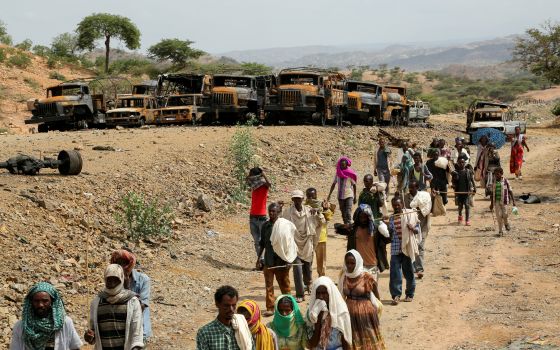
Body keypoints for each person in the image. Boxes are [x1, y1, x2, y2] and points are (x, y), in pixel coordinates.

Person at [85, 264, 144, 350]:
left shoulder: (132, 301)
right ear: (105, 280)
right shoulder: (97, 302)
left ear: (121, 280)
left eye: (115, 279)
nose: (112, 283)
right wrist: (89, 336)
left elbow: (137, 331)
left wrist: (136, 347)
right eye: (109, 279)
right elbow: (93, 333)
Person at [10, 282, 82, 350]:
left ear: (52, 302)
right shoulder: (21, 326)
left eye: (45, 301)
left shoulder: (65, 323)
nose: (40, 305)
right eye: (36, 301)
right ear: (31, 302)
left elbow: (75, 347)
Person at [281, 190, 324, 302]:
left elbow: (321, 222)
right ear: (292, 200)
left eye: (299, 198)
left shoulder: (309, 211)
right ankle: (300, 293)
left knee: (307, 267)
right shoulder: (288, 212)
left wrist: (318, 214)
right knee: (297, 268)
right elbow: (281, 224)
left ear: (302, 199)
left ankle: (308, 283)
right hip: (294, 244)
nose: (297, 200)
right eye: (295, 198)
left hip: (307, 243)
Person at [338, 250, 385, 350]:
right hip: (349, 315)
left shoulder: (367, 277)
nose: (350, 266)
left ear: (358, 262)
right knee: (353, 340)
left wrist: (374, 313)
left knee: (369, 340)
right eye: (348, 263)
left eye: (352, 263)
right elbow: (341, 296)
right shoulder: (344, 276)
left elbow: (377, 298)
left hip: (366, 316)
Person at [257, 203, 296, 316]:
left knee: (285, 285)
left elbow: (290, 244)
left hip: (281, 262)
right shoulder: (265, 226)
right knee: (269, 285)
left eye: (274, 211)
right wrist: (259, 259)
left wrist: (290, 261)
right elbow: (262, 244)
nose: (271, 213)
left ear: (279, 212)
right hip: (269, 261)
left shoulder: (284, 226)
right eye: (270, 211)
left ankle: (290, 306)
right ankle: (270, 308)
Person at [335, 204, 391, 281]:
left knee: (371, 291)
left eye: (365, 217)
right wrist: (345, 226)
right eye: (361, 217)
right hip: (357, 265)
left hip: (372, 266)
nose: (363, 219)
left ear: (369, 217)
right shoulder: (353, 229)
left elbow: (388, 238)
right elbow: (337, 227)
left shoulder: (376, 230)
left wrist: (387, 225)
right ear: (358, 217)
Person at [110, 249, 152, 341]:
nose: (121, 266)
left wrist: (127, 287)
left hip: (139, 331)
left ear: (131, 263)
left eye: (124, 263)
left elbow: (141, 307)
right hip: (119, 332)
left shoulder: (143, 280)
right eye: (118, 263)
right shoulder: (113, 280)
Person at [196, 286, 254, 350]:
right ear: (217, 304)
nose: (231, 309)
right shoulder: (205, 333)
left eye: (234, 305)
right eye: (226, 306)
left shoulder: (242, 327)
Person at [388, 197, 420, 305]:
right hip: (395, 249)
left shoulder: (409, 215)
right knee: (395, 273)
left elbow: (417, 231)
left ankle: (409, 294)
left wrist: (412, 228)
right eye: (394, 205)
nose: (396, 207)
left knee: (409, 272)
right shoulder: (391, 218)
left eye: (398, 205)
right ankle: (396, 295)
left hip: (406, 248)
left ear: (402, 204)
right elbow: (390, 235)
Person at [306, 277, 352, 350]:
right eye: (318, 293)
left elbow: (346, 341)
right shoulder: (311, 313)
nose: (321, 297)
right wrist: (318, 320)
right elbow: (312, 344)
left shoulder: (341, 311)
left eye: (324, 293)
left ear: (330, 293)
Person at [403, 180, 432, 279]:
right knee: (411, 246)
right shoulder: (406, 198)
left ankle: (419, 269)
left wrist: (434, 196)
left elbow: (429, 208)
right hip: (410, 227)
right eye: (409, 187)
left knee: (420, 246)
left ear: (417, 188)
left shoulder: (423, 198)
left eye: (412, 187)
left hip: (422, 226)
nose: (410, 189)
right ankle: (412, 268)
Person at [305, 188, 333, 277]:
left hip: (321, 237)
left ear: (316, 195)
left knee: (321, 261)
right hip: (308, 237)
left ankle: (322, 278)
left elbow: (329, 217)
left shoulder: (323, 205)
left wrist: (325, 209)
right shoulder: (304, 206)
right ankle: (307, 281)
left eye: (312, 196)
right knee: (307, 260)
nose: (311, 198)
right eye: (309, 196)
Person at [247, 167, 272, 259]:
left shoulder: (263, 185)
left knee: (264, 241)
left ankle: (267, 261)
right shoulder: (253, 185)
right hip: (252, 217)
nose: (250, 176)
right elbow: (247, 179)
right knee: (257, 242)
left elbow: (269, 184)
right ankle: (261, 261)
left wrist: (263, 174)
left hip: (262, 218)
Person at [327, 157, 357, 224]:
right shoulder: (338, 174)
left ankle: (349, 225)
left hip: (349, 195)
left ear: (346, 165)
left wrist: (355, 196)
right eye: (341, 165)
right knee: (343, 211)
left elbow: (354, 185)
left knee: (348, 211)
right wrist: (329, 195)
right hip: (340, 196)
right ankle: (346, 224)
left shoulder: (350, 174)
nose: (342, 166)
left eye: (344, 165)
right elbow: (333, 184)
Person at [489, 167, 516, 236]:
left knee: (505, 214)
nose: (496, 176)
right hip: (496, 202)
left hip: (504, 201)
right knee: (498, 216)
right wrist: (491, 204)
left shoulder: (505, 181)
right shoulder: (494, 182)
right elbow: (492, 194)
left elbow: (510, 191)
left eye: (498, 174)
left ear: (501, 174)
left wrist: (513, 201)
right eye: (495, 174)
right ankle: (500, 231)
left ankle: (506, 223)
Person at [452, 156, 476, 226]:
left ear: (465, 163)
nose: (461, 164)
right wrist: (453, 185)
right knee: (460, 206)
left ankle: (467, 220)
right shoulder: (455, 172)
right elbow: (453, 182)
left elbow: (472, 180)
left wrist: (474, 188)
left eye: (463, 162)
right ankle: (460, 217)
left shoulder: (468, 171)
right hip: (459, 192)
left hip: (467, 192)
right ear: (458, 163)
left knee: (467, 205)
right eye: (460, 162)